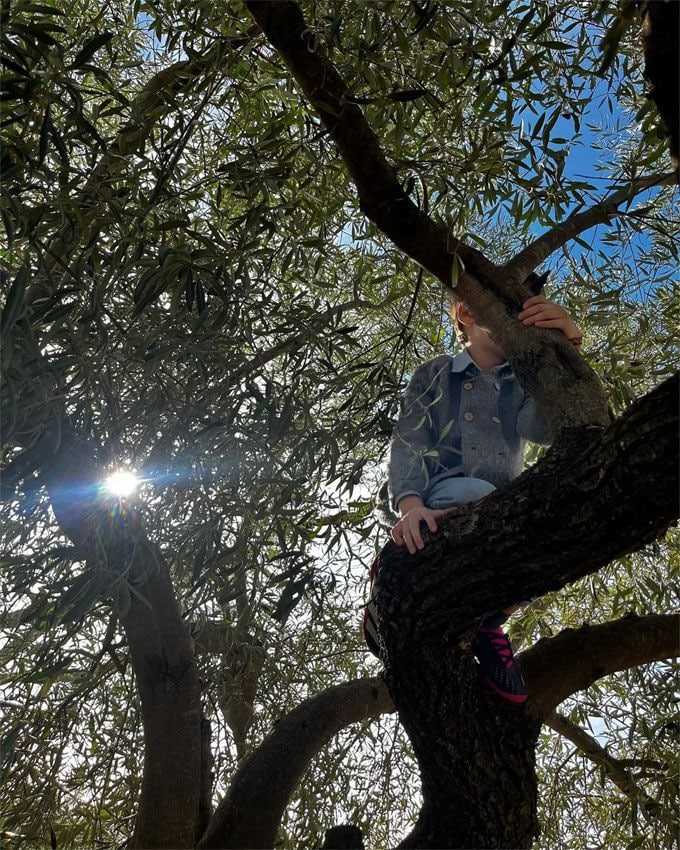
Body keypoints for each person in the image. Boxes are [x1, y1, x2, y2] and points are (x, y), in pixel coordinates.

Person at [366, 290, 583, 703]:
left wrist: (566, 346)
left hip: (501, 512)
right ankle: (392, 584)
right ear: (466, 313)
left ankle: (488, 622)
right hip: (441, 500)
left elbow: (550, 427)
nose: (516, 324)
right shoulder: (434, 373)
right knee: (472, 491)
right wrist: (410, 510)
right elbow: (409, 443)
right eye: (506, 313)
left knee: (541, 546)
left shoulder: (521, 381)